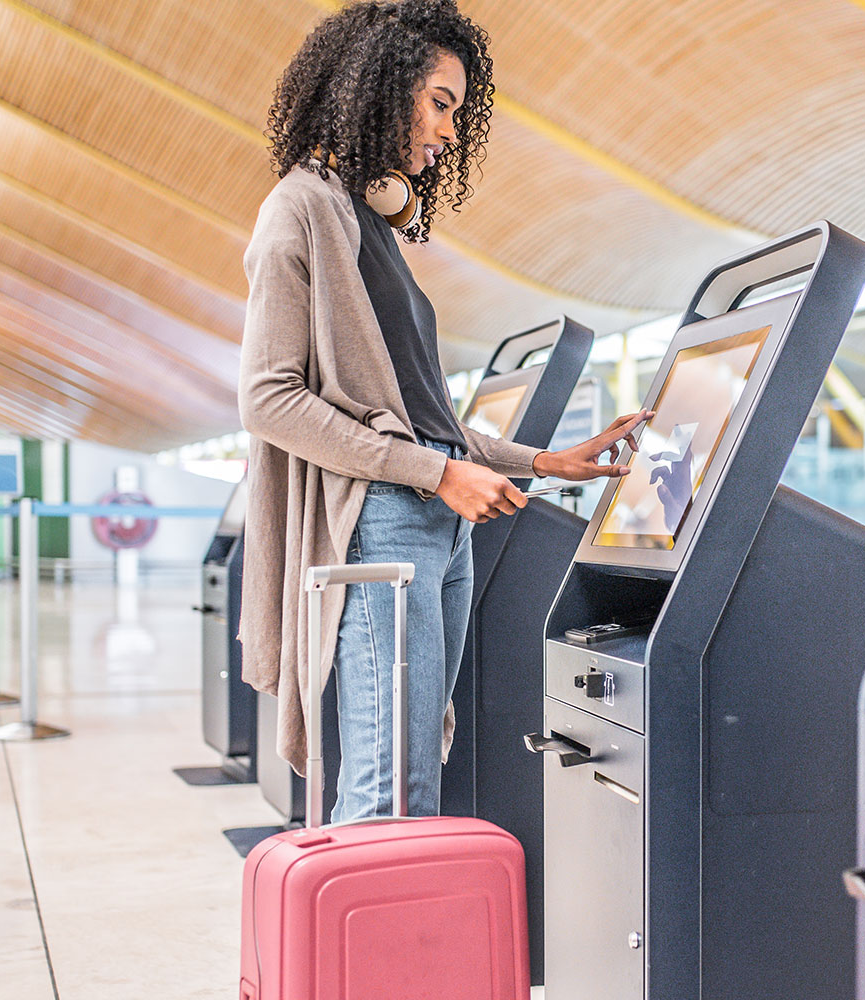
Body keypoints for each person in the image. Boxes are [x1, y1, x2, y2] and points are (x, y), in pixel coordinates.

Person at [237, 0, 647, 822]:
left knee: (415, 763)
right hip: (385, 519)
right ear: (376, 89)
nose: (449, 132)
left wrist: (543, 461)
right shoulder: (300, 209)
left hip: (431, 520)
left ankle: (385, 947)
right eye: (440, 103)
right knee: (391, 781)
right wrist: (436, 473)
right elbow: (269, 398)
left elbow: (424, 419)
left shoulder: (370, 223)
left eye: (457, 109)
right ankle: (359, 952)